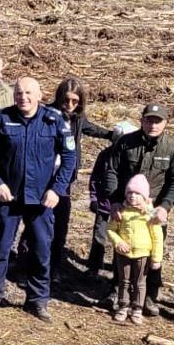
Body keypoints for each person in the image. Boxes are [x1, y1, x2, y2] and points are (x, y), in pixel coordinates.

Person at [0, 77, 79, 321]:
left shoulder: (53, 121)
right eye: (19, 93)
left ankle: (37, 300)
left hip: (42, 200)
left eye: (29, 93)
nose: (23, 97)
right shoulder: (2, 119)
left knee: (42, 251)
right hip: (8, 198)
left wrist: (57, 189)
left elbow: (69, 157)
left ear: (40, 95)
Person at [96, 103, 174, 316]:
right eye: (149, 120)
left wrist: (165, 207)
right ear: (142, 120)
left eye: (158, 121)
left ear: (165, 123)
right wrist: (115, 201)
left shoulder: (172, 147)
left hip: (152, 212)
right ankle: (117, 292)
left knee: (154, 251)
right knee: (122, 251)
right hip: (126, 209)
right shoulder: (126, 143)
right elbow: (111, 172)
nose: (153, 125)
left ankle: (149, 297)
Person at [46, 77, 116, 272]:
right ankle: (28, 261)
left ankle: (56, 265)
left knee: (61, 221)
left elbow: (93, 130)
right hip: (44, 175)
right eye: (66, 100)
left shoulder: (78, 118)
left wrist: (113, 134)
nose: (69, 105)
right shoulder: (46, 114)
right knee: (40, 220)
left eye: (75, 101)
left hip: (66, 177)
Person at [104, 174, 164, 325]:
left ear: (144, 196)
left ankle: (137, 308)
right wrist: (118, 242)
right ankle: (123, 306)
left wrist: (156, 258)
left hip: (143, 254)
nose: (133, 196)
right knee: (123, 281)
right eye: (130, 193)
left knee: (139, 282)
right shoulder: (121, 211)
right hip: (123, 254)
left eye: (137, 194)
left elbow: (157, 236)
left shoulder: (150, 214)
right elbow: (110, 230)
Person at [82, 120, 138, 279]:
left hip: (124, 208)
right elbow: (95, 178)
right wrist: (93, 198)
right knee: (99, 237)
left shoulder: (133, 158)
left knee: (121, 239)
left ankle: (118, 272)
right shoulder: (105, 155)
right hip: (104, 206)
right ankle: (93, 268)